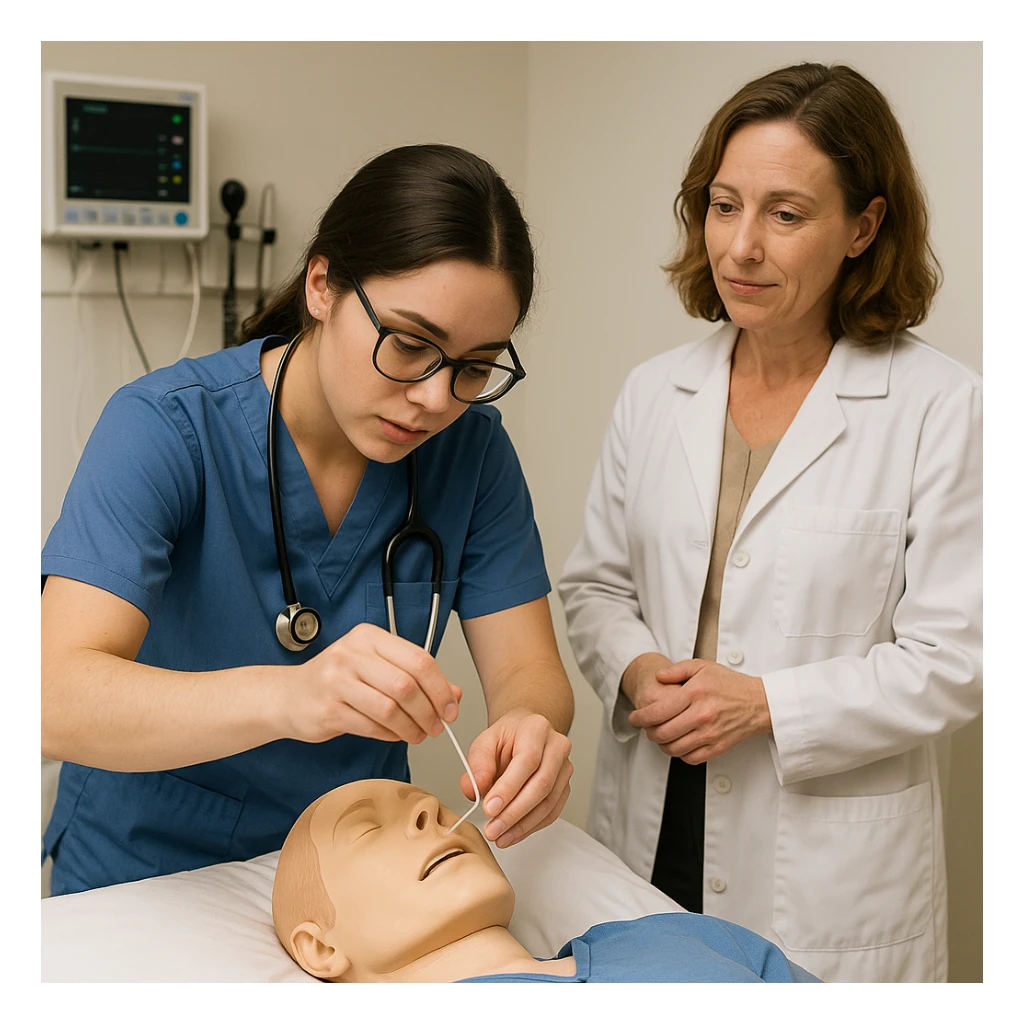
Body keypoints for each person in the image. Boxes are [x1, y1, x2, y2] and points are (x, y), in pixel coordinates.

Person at [41, 143, 574, 897]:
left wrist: (531, 730)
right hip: (148, 866)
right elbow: (51, 696)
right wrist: (292, 697)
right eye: (411, 344)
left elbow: (528, 669)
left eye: (474, 367)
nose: (435, 398)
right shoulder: (164, 428)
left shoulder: (472, 454)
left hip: (351, 861)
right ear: (322, 286)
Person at [557, 63, 981, 983]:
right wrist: (636, 668)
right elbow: (595, 586)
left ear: (864, 226)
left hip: (822, 865)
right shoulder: (654, 392)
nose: (741, 246)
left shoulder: (940, 407)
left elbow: (958, 658)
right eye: (723, 206)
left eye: (786, 215)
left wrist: (765, 705)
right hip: (652, 815)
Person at [271, 777, 819, 983]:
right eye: (367, 829)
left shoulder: (684, 935)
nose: (430, 815)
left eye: (432, 806)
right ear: (319, 948)